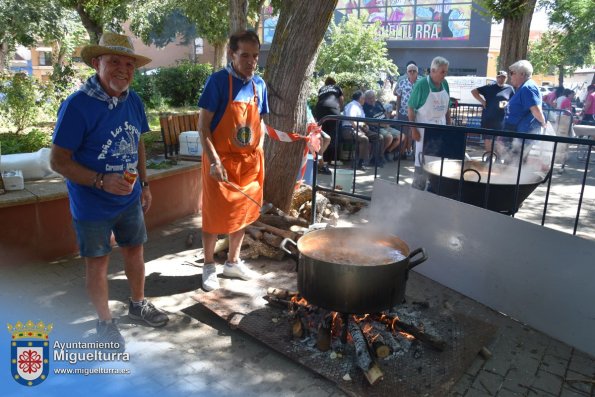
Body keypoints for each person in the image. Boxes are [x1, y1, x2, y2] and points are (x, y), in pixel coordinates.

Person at [50, 32, 169, 349]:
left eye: (129, 63)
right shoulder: (77, 106)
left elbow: (139, 142)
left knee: (135, 252)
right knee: (98, 264)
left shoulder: (133, 100)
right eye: (114, 61)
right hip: (92, 206)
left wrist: (144, 184)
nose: (123, 69)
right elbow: (58, 161)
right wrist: (101, 180)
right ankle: (105, 323)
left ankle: (138, 304)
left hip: (129, 200)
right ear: (96, 63)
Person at [197, 30, 269, 292]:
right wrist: (215, 160)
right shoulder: (217, 82)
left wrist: (259, 152)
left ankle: (232, 262)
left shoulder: (259, 84)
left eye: (255, 56)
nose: (251, 61)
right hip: (220, 161)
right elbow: (203, 127)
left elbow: (260, 122)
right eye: (245, 55)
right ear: (231, 54)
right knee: (214, 215)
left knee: (241, 212)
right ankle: (207, 265)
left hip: (248, 161)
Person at [408, 56, 452, 190]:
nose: (445, 75)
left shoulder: (445, 84)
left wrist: (449, 126)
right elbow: (410, 108)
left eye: (446, 71)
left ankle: (435, 190)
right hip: (424, 129)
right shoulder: (421, 85)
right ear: (433, 71)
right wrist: (413, 129)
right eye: (442, 72)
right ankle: (417, 192)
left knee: (439, 162)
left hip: (441, 127)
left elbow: (447, 108)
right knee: (421, 163)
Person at [501, 60, 547, 161]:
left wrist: (543, 123)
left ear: (522, 74)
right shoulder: (524, 87)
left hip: (521, 134)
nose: (510, 76)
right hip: (516, 133)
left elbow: (536, 110)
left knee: (515, 163)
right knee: (512, 162)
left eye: (512, 73)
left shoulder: (528, 88)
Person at [471, 70, 514, 153]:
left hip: (501, 118)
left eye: (503, 77)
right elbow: (474, 91)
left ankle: (498, 157)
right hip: (488, 117)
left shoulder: (510, 88)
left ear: (506, 78)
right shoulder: (489, 87)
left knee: (499, 139)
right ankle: (489, 156)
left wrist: (507, 103)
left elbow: (513, 100)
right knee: (488, 138)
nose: (501, 79)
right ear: (496, 78)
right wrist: (482, 101)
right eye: (499, 77)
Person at [314, 77, 344, 173]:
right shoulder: (337, 87)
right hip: (333, 110)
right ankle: (333, 159)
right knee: (333, 135)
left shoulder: (322, 89)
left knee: (322, 135)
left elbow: (319, 100)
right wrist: (340, 109)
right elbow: (341, 99)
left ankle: (322, 159)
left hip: (320, 110)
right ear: (334, 83)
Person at [362, 89, 402, 163]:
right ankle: (379, 155)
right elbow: (367, 121)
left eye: (373, 97)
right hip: (376, 127)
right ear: (366, 99)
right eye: (370, 98)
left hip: (385, 125)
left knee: (401, 136)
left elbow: (384, 113)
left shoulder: (378, 103)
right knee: (389, 137)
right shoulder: (365, 107)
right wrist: (381, 124)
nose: (372, 99)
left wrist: (387, 121)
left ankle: (386, 152)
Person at [341, 90, 374, 170]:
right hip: (348, 129)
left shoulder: (359, 107)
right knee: (364, 139)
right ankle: (359, 162)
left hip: (359, 128)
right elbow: (352, 120)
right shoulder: (352, 105)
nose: (365, 99)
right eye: (363, 98)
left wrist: (365, 127)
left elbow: (362, 121)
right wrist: (359, 130)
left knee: (378, 137)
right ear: (360, 98)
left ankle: (375, 159)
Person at [394, 62, 420, 158]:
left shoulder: (421, 82)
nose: (412, 72)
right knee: (404, 133)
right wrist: (397, 111)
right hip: (404, 112)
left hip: (418, 113)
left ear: (417, 72)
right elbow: (398, 97)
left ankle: (414, 154)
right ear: (407, 72)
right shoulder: (402, 82)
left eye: (414, 71)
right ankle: (402, 153)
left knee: (414, 133)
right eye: (410, 71)